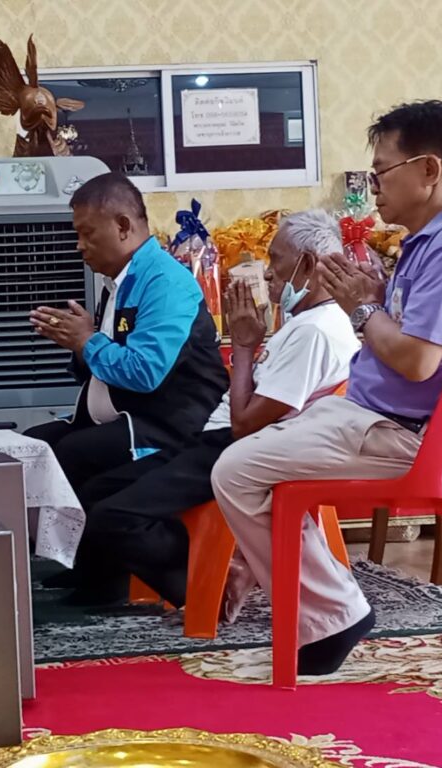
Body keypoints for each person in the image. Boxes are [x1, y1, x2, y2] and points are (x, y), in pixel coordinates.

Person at [211, 100, 442, 675]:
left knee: (234, 469)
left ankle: (335, 613)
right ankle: (325, 608)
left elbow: (417, 361)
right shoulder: (435, 240)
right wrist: (375, 299)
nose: (372, 187)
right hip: (375, 416)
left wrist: (363, 307)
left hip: (404, 433)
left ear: (429, 169)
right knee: (250, 458)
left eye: (381, 172)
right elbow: (407, 338)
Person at [67, 209, 360, 607]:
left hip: (236, 449)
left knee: (114, 516)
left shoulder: (316, 331)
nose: (267, 272)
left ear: (307, 264)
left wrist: (243, 347)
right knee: (98, 490)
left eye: (275, 260)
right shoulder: (305, 321)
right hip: (214, 439)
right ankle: (219, 560)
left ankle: (213, 582)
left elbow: (245, 425)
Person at [25, 172, 228, 498]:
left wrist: (86, 341)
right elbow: (106, 365)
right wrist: (77, 344)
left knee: (74, 454)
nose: (79, 246)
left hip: (169, 426)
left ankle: (79, 534)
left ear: (122, 226)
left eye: (87, 233)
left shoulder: (165, 282)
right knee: (32, 446)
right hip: (124, 417)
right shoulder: (117, 282)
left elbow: (145, 372)